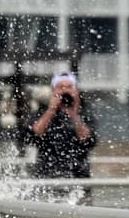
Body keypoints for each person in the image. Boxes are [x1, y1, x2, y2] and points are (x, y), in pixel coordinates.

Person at [28, 72, 97, 202]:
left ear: (76, 90)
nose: (65, 90)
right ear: (53, 90)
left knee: (83, 217)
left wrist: (74, 114)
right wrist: (51, 110)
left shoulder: (85, 111)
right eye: (60, 87)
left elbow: (87, 139)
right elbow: (34, 134)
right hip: (47, 177)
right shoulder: (42, 110)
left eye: (69, 86)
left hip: (78, 178)